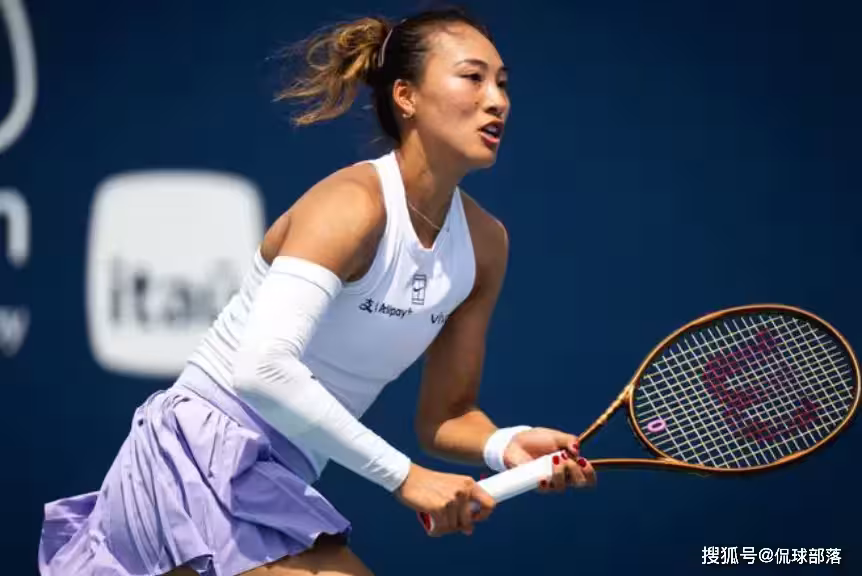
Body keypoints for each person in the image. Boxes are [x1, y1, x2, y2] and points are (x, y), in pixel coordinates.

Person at [38, 7, 596, 576]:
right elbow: (261, 369)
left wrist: (506, 444)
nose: (497, 100)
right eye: (472, 78)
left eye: (502, 83)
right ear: (406, 97)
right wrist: (405, 477)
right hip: (194, 455)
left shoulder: (485, 244)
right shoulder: (351, 205)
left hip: (276, 477)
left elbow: (446, 417)